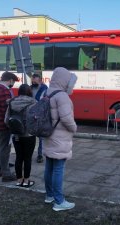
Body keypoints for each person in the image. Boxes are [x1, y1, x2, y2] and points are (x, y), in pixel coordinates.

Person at [43, 67, 77, 211]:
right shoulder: (62, 96)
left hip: (48, 134)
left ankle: (49, 195)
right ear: (64, 80)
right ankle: (59, 201)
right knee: (58, 169)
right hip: (60, 138)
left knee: (49, 166)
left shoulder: (47, 92)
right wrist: (74, 128)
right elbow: (66, 118)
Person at [0, 71, 19, 182]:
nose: (13, 84)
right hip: (3, 125)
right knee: (5, 148)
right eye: (13, 82)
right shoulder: (4, 91)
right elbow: (7, 111)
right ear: (10, 80)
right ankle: (6, 173)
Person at [4, 84, 37, 187]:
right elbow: (36, 119)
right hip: (29, 135)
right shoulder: (33, 102)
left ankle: (19, 180)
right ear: (29, 92)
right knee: (27, 158)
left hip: (16, 135)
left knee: (18, 157)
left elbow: (6, 120)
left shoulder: (11, 102)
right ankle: (26, 181)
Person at [31, 73, 48, 163]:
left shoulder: (45, 89)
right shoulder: (30, 88)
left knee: (41, 137)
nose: (33, 82)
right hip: (31, 115)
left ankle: (40, 155)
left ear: (40, 80)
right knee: (31, 136)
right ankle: (29, 153)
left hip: (41, 115)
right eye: (32, 81)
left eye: (35, 81)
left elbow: (46, 102)